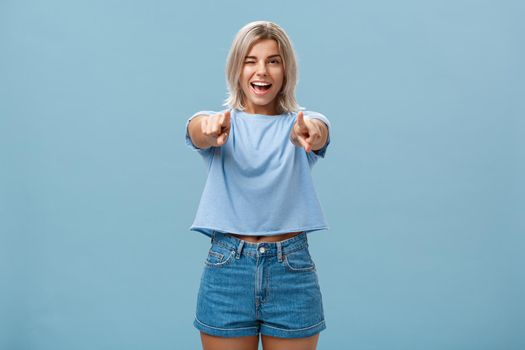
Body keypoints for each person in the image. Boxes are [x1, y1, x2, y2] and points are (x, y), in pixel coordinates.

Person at [185, 20, 331, 350]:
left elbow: (318, 130)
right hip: (228, 271)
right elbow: (197, 129)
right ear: (237, 69)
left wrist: (310, 132)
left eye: (273, 60)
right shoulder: (219, 124)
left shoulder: (302, 123)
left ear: (286, 70)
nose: (261, 71)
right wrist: (207, 130)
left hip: (290, 271)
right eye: (251, 60)